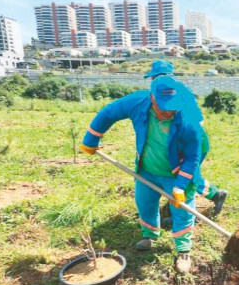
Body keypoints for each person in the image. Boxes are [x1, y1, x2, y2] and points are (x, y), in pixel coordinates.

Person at [80, 75, 202, 274]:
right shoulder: (137, 102)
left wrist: (180, 186)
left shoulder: (189, 119)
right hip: (146, 170)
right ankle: (150, 235)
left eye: (172, 106)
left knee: (183, 210)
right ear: (152, 98)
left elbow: (193, 157)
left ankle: (183, 250)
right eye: (164, 106)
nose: (169, 111)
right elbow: (108, 114)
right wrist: (91, 139)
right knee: (145, 203)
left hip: (177, 172)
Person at [145, 60, 228, 217]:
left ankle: (195, 207)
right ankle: (213, 194)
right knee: (182, 173)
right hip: (190, 137)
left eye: (153, 77)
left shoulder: (169, 94)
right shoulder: (179, 89)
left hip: (190, 139)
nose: (152, 81)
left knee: (185, 174)